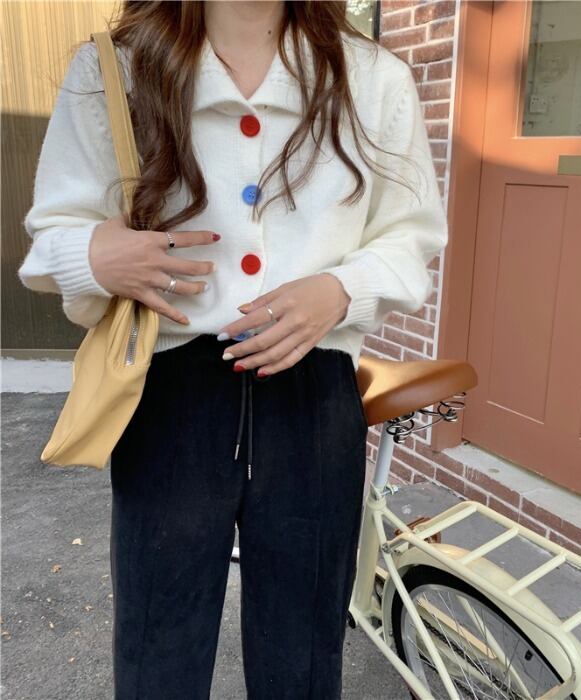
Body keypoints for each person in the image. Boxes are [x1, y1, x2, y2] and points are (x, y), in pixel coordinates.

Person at [17, 1, 448, 698]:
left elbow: (411, 234)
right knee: (156, 649)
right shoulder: (115, 68)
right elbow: (56, 230)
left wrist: (343, 289)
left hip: (313, 397)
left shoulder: (373, 78)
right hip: (169, 396)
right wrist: (98, 255)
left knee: (304, 657)